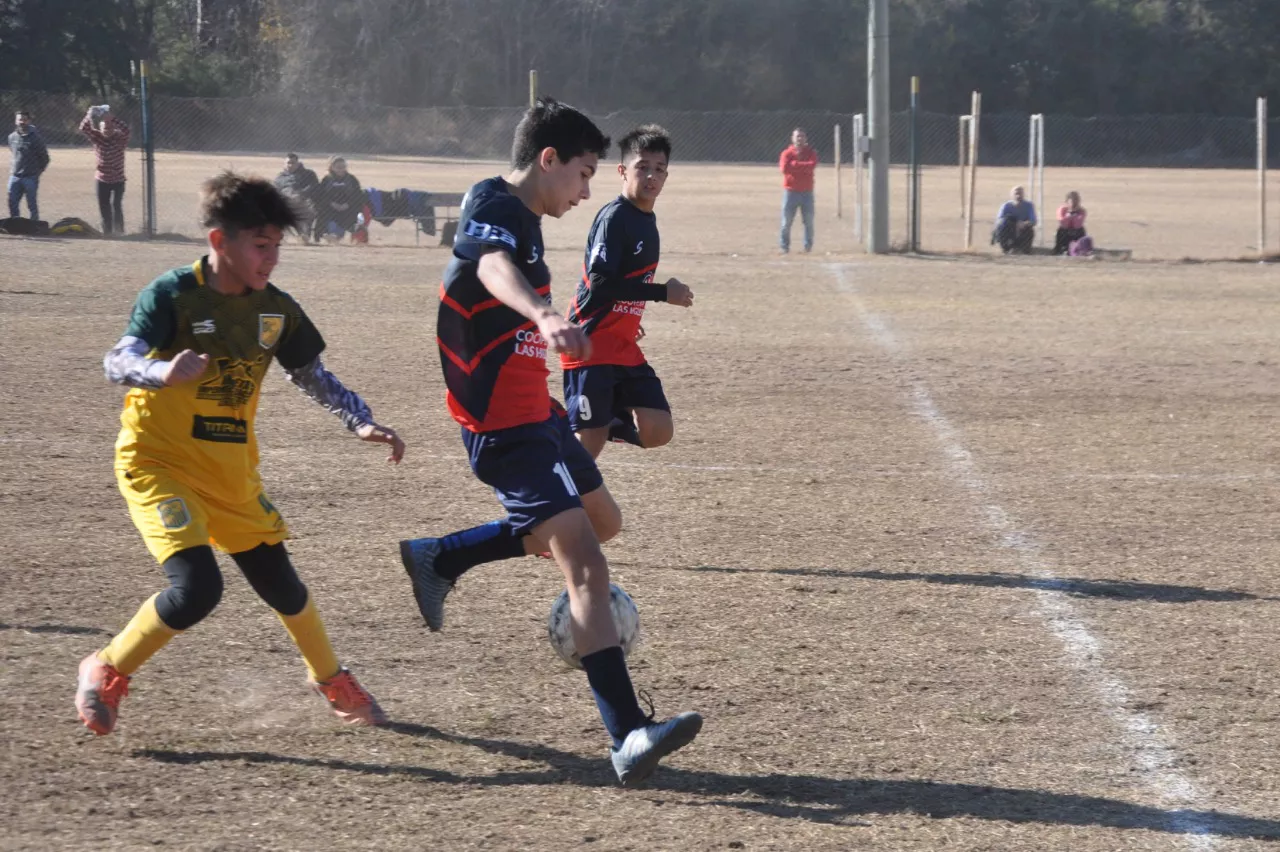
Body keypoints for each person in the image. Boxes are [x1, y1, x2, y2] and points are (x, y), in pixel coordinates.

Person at [398, 98, 702, 786]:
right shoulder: (497, 207)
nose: (588, 190)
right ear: (548, 160)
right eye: (585, 173)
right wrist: (543, 313)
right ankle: (627, 735)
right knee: (586, 566)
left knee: (605, 522)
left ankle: (441, 557)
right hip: (504, 427)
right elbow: (488, 268)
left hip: (537, 413)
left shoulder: (526, 216)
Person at [75, 171, 405, 736]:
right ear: (219, 241)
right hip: (159, 465)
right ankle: (105, 667)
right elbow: (116, 360)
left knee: (283, 586)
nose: (271, 258)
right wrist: (159, 370)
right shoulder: (172, 296)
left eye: (276, 245)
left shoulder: (276, 310)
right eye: (260, 244)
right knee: (198, 589)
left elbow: (311, 374)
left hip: (229, 473)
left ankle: (331, 679)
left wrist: (359, 420)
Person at [562, 125, 694, 459]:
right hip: (589, 343)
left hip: (620, 344)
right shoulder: (615, 218)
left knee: (658, 429)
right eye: (642, 167)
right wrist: (663, 292)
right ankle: (571, 450)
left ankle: (599, 423)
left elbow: (623, 285)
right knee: (584, 454)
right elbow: (601, 282)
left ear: (666, 176)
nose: (651, 176)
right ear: (623, 171)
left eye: (659, 169)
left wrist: (627, 318)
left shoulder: (646, 220)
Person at [79, 105, 131, 235]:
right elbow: (84, 128)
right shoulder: (97, 137)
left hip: (118, 179)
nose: (107, 131)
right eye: (104, 128)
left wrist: (111, 118)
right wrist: (89, 114)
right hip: (102, 179)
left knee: (116, 205)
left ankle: (119, 231)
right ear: (99, 129)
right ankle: (107, 231)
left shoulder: (120, 138)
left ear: (114, 128)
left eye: (109, 128)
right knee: (104, 206)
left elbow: (126, 130)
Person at [778, 127, 818, 254]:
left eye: (802, 136)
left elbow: (811, 165)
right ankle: (784, 247)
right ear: (792, 138)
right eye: (797, 136)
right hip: (791, 191)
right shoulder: (786, 153)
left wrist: (794, 165)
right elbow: (784, 169)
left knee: (809, 222)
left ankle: (808, 246)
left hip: (807, 192)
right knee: (786, 222)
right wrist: (801, 166)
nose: (799, 139)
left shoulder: (811, 152)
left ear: (805, 138)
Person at [8, 109, 50, 221]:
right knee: (12, 201)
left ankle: (35, 223)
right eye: (19, 119)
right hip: (15, 176)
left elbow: (45, 158)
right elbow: (13, 152)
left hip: (30, 176)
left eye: (24, 119)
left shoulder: (36, 138)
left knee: (31, 202)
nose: (22, 122)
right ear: (16, 121)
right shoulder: (12, 137)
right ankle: (15, 222)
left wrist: (38, 172)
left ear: (29, 121)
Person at [314, 156, 364, 242]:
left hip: (348, 206)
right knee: (322, 213)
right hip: (331, 206)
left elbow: (358, 194)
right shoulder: (327, 179)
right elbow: (321, 195)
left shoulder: (351, 179)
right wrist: (331, 203)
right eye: (338, 167)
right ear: (331, 167)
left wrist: (347, 204)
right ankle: (325, 235)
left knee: (352, 215)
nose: (341, 169)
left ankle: (341, 235)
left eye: (343, 167)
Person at [274, 153, 320, 243]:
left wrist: (301, 194)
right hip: (286, 202)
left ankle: (304, 236)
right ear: (285, 164)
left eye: (293, 163)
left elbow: (314, 186)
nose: (290, 165)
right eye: (288, 163)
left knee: (307, 211)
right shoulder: (280, 177)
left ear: (298, 163)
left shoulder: (308, 174)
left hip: (304, 201)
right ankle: (281, 236)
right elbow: (275, 191)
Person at [993, 185, 1037, 254]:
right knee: (1006, 221)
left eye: (1020, 193)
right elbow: (999, 220)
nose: (1018, 195)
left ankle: (1023, 249)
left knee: (1029, 230)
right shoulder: (1006, 206)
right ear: (1011, 195)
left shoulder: (1029, 205)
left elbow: (1033, 221)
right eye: (1016, 193)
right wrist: (1014, 223)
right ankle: (1007, 248)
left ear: (1023, 194)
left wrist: (1024, 223)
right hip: (1009, 229)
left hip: (1023, 228)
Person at [1054, 191, 1088, 256]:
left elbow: (1077, 225)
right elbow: (1063, 223)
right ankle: (1061, 249)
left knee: (1081, 230)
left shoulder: (1082, 211)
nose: (1074, 204)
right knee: (1061, 230)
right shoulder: (1062, 210)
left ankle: (1079, 249)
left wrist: (1074, 213)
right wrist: (1069, 215)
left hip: (1076, 231)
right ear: (1067, 202)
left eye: (1076, 202)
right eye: (1072, 202)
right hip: (1064, 231)